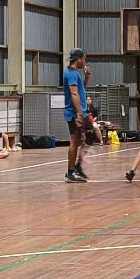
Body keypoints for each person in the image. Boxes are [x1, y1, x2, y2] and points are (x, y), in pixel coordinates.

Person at [63, 48, 91, 182]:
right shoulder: (71, 74)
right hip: (75, 113)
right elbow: (74, 94)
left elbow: (80, 91)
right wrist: (80, 114)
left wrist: (86, 78)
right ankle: (70, 172)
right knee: (74, 142)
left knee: (89, 137)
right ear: (78, 59)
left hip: (81, 112)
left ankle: (78, 166)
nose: (84, 62)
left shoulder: (75, 74)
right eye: (83, 59)